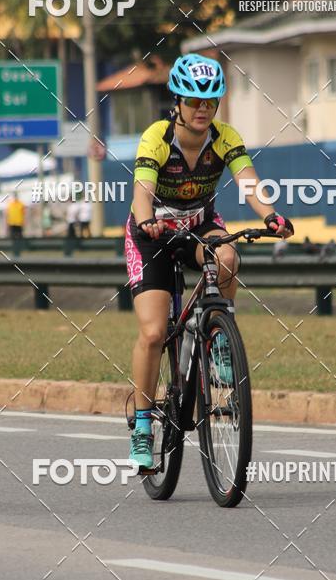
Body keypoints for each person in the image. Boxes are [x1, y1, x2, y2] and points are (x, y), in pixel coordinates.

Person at [124, 52, 294, 468]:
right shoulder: (156, 138)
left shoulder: (226, 138)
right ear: (176, 102)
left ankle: (218, 336)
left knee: (228, 254)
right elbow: (142, 192)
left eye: (210, 102)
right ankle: (143, 427)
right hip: (153, 236)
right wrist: (146, 221)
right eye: (193, 101)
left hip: (199, 227)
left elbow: (248, 182)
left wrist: (270, 215)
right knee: (151, 332)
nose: (202, 110)